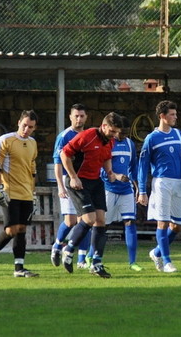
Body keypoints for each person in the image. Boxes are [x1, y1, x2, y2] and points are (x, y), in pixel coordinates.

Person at [59, 112, 126, 278]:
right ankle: (68, 250)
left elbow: (106, 157)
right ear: (103, 126)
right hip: (78, 181)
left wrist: (110, 172)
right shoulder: (87, 136)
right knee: (89, 219)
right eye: (112, 131)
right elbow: (64, 154)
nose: (115, 135)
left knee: (101, 221)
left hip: (95, 181)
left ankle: (96, 262)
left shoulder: (109, 141)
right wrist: (73, 177)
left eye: (117, 132)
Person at [137, 100, 181, 273]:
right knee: (162, 223)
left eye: (176, 114)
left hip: (178, 183)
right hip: (161, 182)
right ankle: (167, 261)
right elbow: (143, 165)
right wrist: (142, 190)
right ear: (162, 116)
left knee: (176, 226)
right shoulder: (151, 138)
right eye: (172, 114)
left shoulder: (179, 135)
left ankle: (156, 252)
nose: (175, 117)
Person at [0, 110, 39, 278]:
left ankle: (19, 268)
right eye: (24, 125)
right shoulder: (5, 140)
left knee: (21, 229)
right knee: (11, 229)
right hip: (9, 192)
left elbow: (32, 170)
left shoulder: (32, 143)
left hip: (26, 193)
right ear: (18, 122)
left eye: (30, 127)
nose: (26, 129)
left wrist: (33, 191)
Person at [50, 103, 92, 268]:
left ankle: (81, 259)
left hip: (85, 182)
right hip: (69, 181)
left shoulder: (89, 135)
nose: (79, 119)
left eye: (82, 116)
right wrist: (60, 185)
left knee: (86, 220)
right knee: (71, 220)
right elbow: (58, 163)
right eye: (76, 116)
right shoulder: (64, 136)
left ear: (86, 117)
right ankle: (57, 245)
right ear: (70, 117)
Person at [100, 117, 141, 271]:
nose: (122, 136)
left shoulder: (130, 144)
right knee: (102, 225)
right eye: (120, 133)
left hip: (126, 190)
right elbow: (101, 169)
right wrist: (115, 176)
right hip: (109, 189)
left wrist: (138, 188)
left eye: (125, 133)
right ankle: (92, 256)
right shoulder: (108, 144)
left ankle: (133, 262)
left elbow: (133, 167)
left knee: (130, 222)